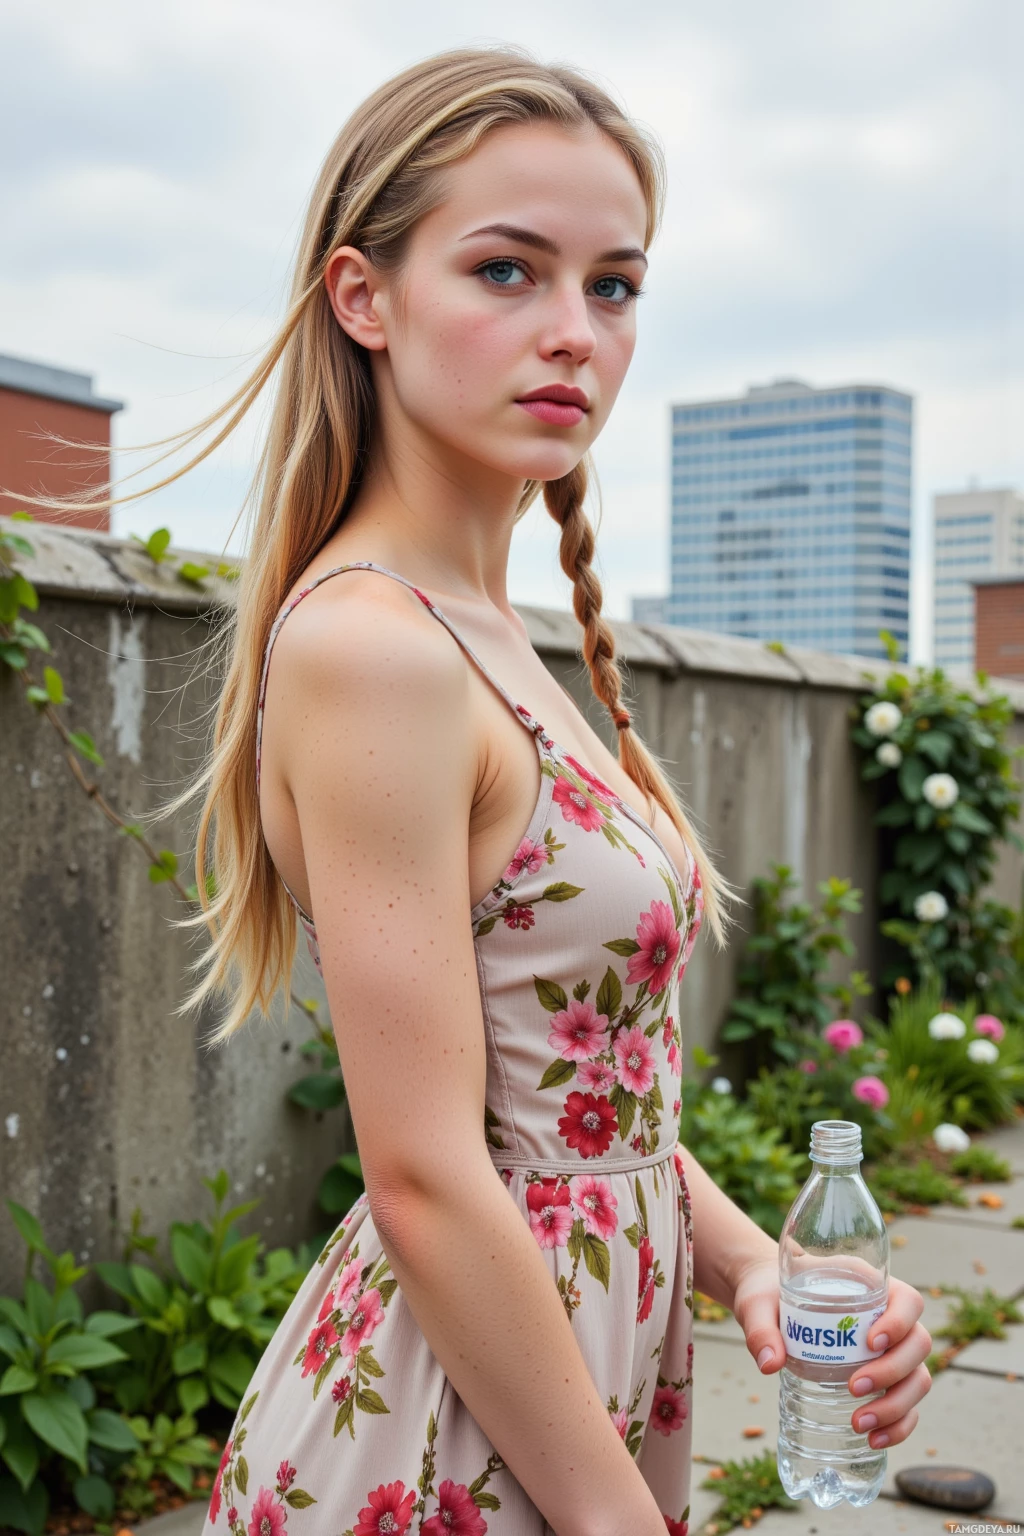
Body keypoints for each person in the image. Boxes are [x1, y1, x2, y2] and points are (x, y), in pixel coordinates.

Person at [122, 47, 933, 1536]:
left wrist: (754, 1262)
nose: (574, 330)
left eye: (613, 286)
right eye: (508, 270)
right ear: (364, 298)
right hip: (451, 1434)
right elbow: (428, 1175)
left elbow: (572, 1108)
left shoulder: (486, 632)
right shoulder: (376, 647)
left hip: (560, 1394)